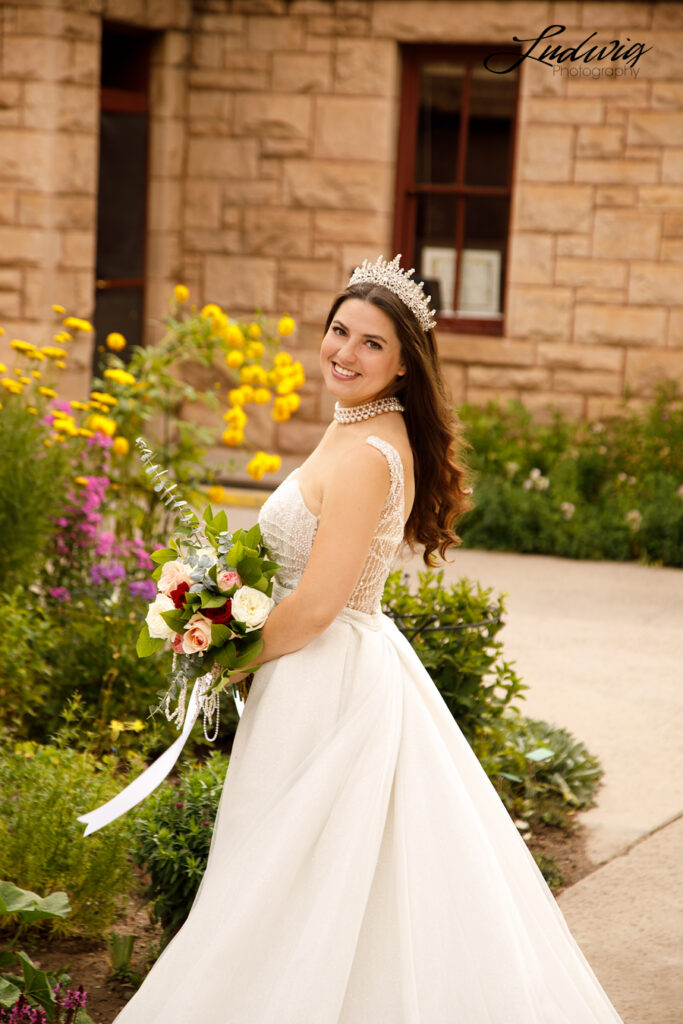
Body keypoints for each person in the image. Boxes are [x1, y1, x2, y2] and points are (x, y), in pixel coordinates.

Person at [114, 255, 625, 1023]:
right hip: (319, 674)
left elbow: (318, 604)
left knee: (292, 880)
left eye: (371, 344)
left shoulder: (366, 457)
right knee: (298, 875)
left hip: (328, 686)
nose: (343, 353)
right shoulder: (357, 427)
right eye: (338, 331)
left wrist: (218, 658)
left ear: (404, 367)